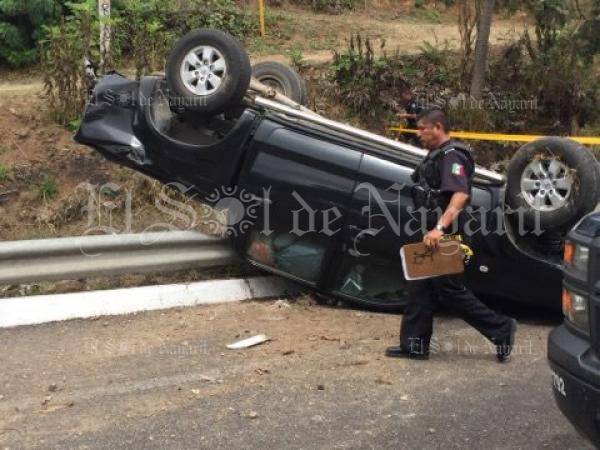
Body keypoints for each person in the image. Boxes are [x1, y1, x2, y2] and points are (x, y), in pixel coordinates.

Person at [386, 109, 516, 362]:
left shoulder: (452, 156)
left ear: (437, 127)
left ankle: (501, 328)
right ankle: (414, 345)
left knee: (449, 289)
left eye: (423, 128)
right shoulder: (437, 155)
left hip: (448, 234)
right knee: (419, 286)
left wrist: (440, 228)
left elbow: (460, 195)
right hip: (432, 233)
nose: (419, 133)